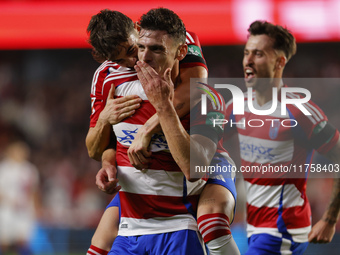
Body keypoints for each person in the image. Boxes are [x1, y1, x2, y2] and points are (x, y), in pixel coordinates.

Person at [86, 8, 239, 255]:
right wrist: (106, 136)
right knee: (98, 246)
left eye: (131, 50)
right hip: (137, 210)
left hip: (203, 170)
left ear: (136, 30)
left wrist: (149, 126)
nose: (136, 60)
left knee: (212, 221)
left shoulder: (197, 85)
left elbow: (197, 81)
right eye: (120, 59)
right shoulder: (109, 80)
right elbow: (100, 147)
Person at [223, 20, 340, 254]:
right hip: (253, 228)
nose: (248, 60)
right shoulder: (236, 106)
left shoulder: (300, 111)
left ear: (280, 62)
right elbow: (202, 144)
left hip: (283, 230)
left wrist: (329, 219)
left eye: (258, 54)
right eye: (247, 53)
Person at [0, 141, 40, 255]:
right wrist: (9, 201)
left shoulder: (30, 169)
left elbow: (34, 191)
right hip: (6, 209)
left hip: (24, 210)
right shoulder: (3, 168)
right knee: (4, 240)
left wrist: (36, 208)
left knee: (23, 240)